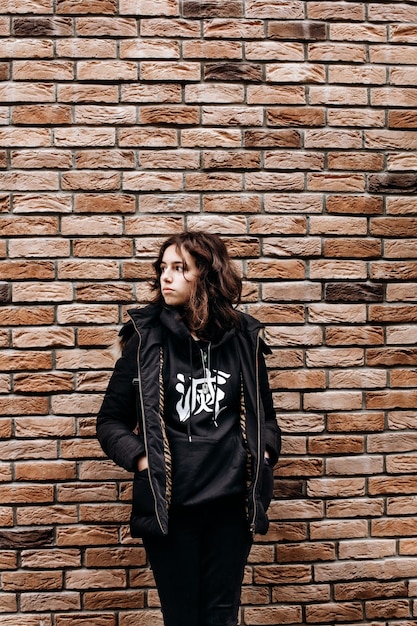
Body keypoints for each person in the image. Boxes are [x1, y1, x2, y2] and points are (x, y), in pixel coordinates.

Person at [96, 231, 281, 626]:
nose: (166, 277)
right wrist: (143, 459)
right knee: (181, 619)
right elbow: (110, 421)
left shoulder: (244, 338)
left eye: (180, 268)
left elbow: (265, 416)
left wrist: (263, 455)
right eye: (163, 268)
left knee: (220, 617)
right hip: (171, 507)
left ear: (207, 276)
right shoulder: (143, 340)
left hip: (232, 505)